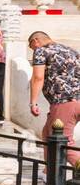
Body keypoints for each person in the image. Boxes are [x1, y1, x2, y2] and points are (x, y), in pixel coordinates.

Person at [29, 32, 80, 162]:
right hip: (76, 100)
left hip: (64, 101)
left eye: (31, 47)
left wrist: (33, 102)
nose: (33, 50)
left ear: (36, 41)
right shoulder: (71, 51)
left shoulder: (41, 50)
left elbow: (38, 77)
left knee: (63, 143)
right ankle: (49, 173)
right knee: (47, 134)